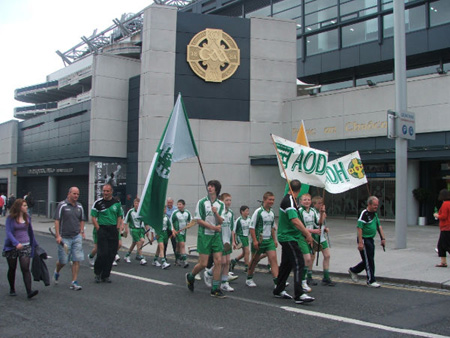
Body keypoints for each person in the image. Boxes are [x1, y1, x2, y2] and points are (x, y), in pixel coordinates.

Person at [274, 180, 315, 304]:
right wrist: (307, 234)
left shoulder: (290, 199)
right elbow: (294, 220)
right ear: (300, 189)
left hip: (288, 236)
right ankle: (299, 294)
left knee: (287, 264)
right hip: (288, 237)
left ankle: (278, 289)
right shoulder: (289, 201)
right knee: (299, 263)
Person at [185, 180, 226, 298]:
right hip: (204, 235)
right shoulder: (202, 202)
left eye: (212, 186)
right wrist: (213, 227)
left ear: (217, 189)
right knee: (203, 264)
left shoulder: (220, 204)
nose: (210, 188)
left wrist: (216, 213)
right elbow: (199, 220)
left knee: (218, 261)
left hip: (216, 237)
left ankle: (215, 289)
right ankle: (190, 276)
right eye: (209, 186)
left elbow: (221, 221)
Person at [2, 198, 39, 298]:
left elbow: (30, 232)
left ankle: (29, 291)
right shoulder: (10, 218)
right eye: (24, 205)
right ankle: (12, 288)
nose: (26, 207)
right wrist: (15, 243)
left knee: (25, 268)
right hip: (12, 246)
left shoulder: (27, 217)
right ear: (19, 207)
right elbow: (8, 232)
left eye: (26, 205)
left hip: (25, 245)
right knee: (12, 268)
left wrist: (35, 245)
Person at [348, 196, 386, 288]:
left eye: (377, 205)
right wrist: (360, 242)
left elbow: (379, 226)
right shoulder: (364, 214)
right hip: (364, 239)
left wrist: (383, 238)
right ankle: (371, 280)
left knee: (369, 260)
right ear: (369, 204)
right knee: (369, 260)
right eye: (374, 205)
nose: (376, 207)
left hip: (370, 239)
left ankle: (354, 270)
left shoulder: (375, 214)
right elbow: (359, 228)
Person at [53, 187, 86, 290]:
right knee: (63, 261)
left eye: (77, 194)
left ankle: (74, 281)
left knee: (76, 259)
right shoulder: (62, 205)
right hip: (64, 237)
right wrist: (58, 235)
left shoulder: (80, 206)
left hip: (76, 236)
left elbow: (82, 220)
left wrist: (82, 232)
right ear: (69, 194)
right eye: (74, 193)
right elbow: (57, 220)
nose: (76, 196)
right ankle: (57, 271)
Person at [245, 192, 280, 289]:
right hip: (259, 240)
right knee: (254, 260)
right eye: (270, 199)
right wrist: (255, 241)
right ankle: (249, 278)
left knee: (273, 259)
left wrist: (275, 240)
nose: (271, 202)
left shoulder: (272, 213)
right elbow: (252, 227)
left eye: (273, 200)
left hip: (269, 241)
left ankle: (277, 282)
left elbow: (272, 227)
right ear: (264, 200)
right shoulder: (258, 212)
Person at [91, 184, 124, 283]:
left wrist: (118, 227)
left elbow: (120, 215)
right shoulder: (98, 203)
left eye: (107, 191)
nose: (105, 193)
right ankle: (97, 273)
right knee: (102, 253)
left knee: (111, 254)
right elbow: (93, 216)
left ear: (111, 192)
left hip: (113, 229)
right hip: (102, 229)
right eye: (104, 191)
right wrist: (98, 228)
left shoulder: (117, 203)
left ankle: (106, 275)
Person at [310, 196, 335, 286]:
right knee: (312, 257)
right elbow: (318, 223)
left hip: (322, 237)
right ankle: (309, 276)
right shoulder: (313, 212)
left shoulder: (321, 212)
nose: (321, 205)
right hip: (314, 237)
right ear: (314, 204)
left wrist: (325, 229)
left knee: (327, 255)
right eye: (319, 203)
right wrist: (322, 214)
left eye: (322, 203)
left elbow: (322, 224)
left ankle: (326, 277)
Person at [124, 198, 150, 265]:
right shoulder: (131, 211)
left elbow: (146, 222)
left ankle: (127, 255)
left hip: (141, 229)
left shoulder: (142, 212)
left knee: (139, 241)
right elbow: (126, 221)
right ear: (134, 204)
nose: (137, 205)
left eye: (138, 203)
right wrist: (126, 229)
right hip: (134, 229)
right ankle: (141, 257)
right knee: (138, 242)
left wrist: (147, 231)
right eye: (135, 203)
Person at [171, 199, 192, 268]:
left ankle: (177, 260)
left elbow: (191, 221)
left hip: (183, 232)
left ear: (184, 205)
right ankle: (185, 260)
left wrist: (189, 225)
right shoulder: (175, 213)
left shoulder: (187, 213)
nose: (179, 206)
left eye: (180, 204)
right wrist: (173, 230)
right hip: (177, 232)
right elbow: (170, 222)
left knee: (178, 246)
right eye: (178, 204)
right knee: (182, 245)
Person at [231, 205, 251, 273]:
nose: (248, 212)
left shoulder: (249, 219)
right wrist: (234, 241)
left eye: (248, 211)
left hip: (246, 237)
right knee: (247, 252)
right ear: (242, 212)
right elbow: (233, 231)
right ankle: (247, 268)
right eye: (246, 211)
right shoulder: (239, 220)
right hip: (240, 237)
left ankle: (234, 261)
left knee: (244, 253)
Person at [433, 189, 450, 268]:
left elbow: (443, 216)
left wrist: (437, 216)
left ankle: (443, 262)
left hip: (446, 227)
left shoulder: (445, 204)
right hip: (447, 227)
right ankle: (443, 262)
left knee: (446, 245)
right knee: (441, 245)